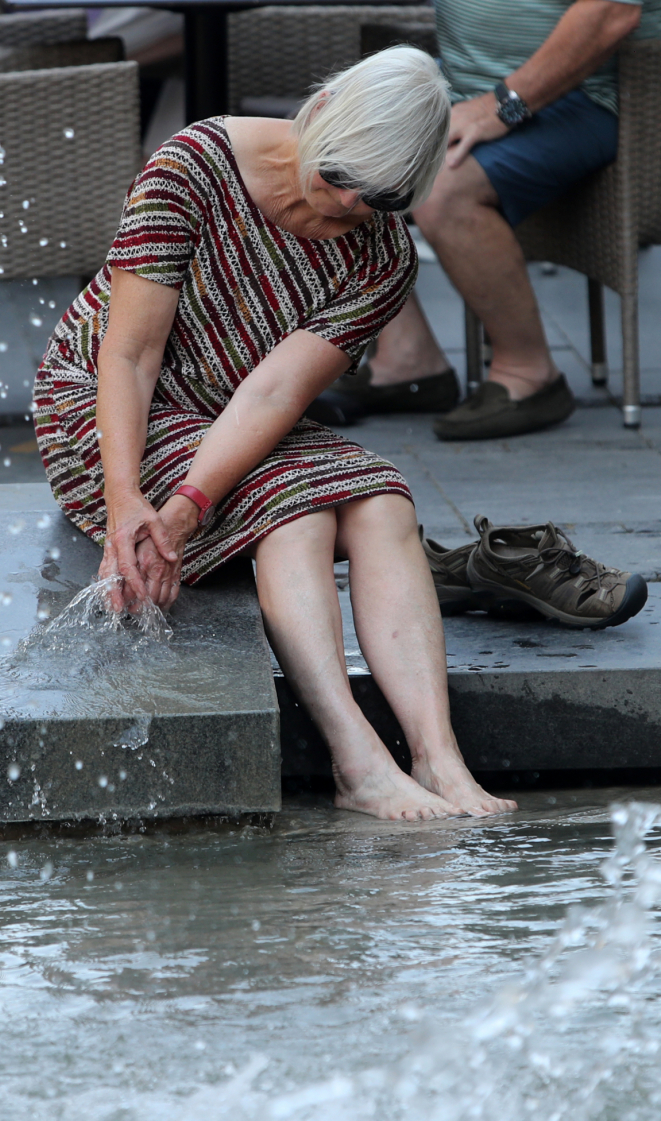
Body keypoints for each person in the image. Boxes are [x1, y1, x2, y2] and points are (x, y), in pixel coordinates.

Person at [34, 49, 517, 822]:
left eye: (368, 205)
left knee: (384, 501)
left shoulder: (383, 257)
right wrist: (130, 500)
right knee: (295, 508)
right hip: (103, 408)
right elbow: (129, 355)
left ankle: (439, 757)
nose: (335, 213)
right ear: (320, 107)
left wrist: (190, 504)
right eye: (332, 181)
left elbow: (275, 391)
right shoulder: (192, 168)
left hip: (232, 417)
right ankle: (356, 758)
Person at [314, 0, 661, 441]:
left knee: (443, 183)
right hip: (471, 84)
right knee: (328, 153)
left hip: (588, 97)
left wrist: (502, 106)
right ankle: (408, 360)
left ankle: (530, 374)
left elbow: (610, 10)